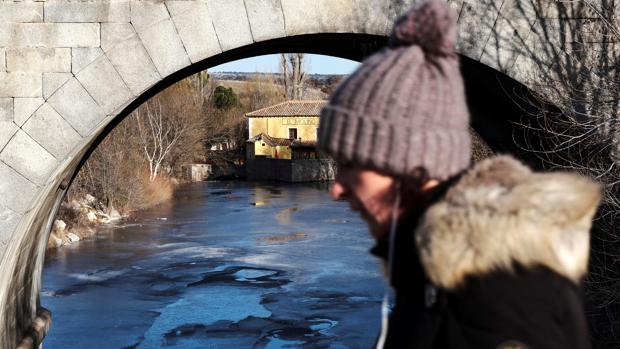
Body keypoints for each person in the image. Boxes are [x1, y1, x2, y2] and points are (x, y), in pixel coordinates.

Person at [317, 0, 602, 348]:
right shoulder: (436, 277)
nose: (336, 189)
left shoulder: (498, 295)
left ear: (409, 165)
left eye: (349, 164)